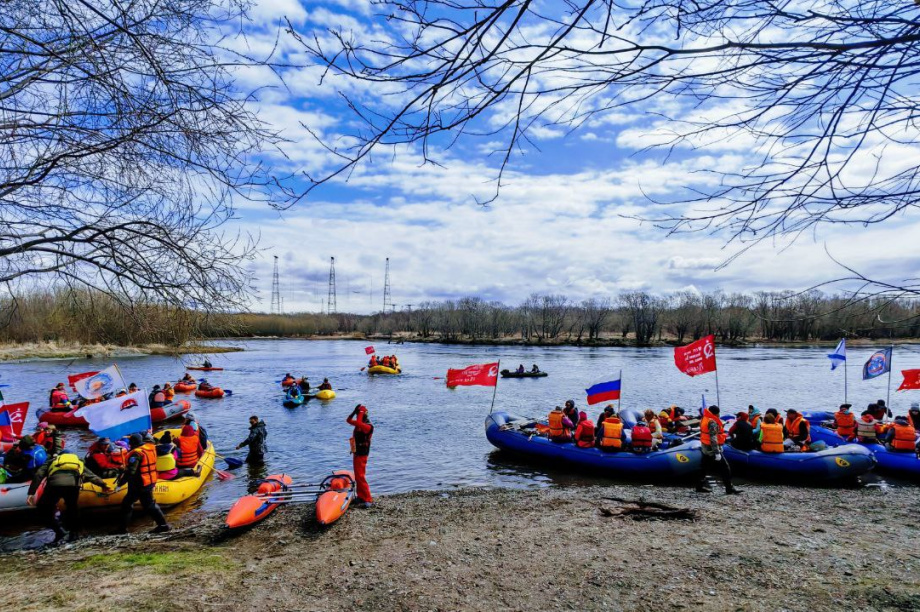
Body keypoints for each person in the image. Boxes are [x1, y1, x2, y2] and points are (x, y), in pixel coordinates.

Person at [27, 451, 110, 543]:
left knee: (43, 508)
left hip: (54, 485)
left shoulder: (53, 461)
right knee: (72, 508)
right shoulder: (78, 462)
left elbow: (38, 475)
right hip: (73, 486)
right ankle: (74, 534)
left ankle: (59, 530)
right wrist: (103, 485)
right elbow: (91, 476)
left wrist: (31, 493)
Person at [114, 433, 170, 534]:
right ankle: (123, 528)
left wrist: (120, 484)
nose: (130, 445)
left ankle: (163, 525)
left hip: (139, 484)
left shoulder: (136, 454)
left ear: (134, 443)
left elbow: (131, 471)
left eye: (131, 443)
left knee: (145, 504)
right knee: (131, 503)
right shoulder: (150, 448)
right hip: (148, 481)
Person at [697, 406, 740, 494]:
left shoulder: (704, 418)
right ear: (716, 413)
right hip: (711, 448)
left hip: (704, 446)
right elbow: (713, 438)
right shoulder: (712, 422)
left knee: (704, 467)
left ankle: (699, 486)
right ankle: (729, 488)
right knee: (725, 467)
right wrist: (717, 452)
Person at [347, 404, 374, 508]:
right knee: (357, 476)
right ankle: (360, 496)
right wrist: (354, 411)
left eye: (359, 414)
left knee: (361, 476)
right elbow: (348, 420)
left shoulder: (368, 427)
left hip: (362, 454)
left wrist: (361, 411)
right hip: (356, 452)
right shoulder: (359, 425)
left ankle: (368, 499)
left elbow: (358, 422)